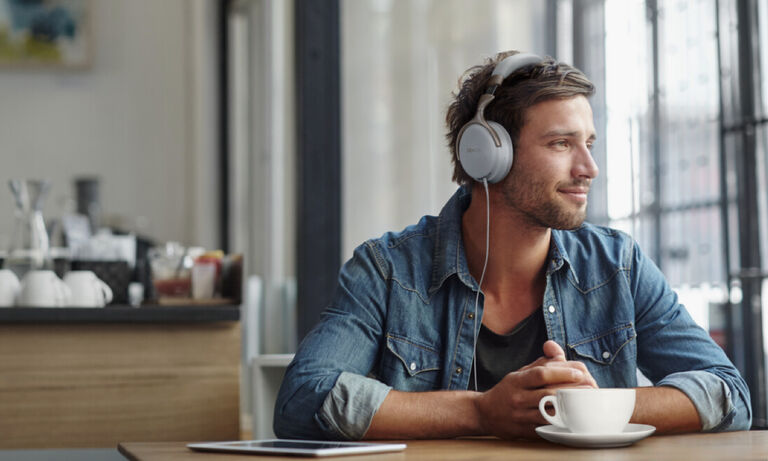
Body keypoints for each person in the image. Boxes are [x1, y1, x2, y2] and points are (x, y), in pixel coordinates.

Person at [273, 51, 752, 441]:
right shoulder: (385, 270)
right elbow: (303, 401)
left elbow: (729, 393)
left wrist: (594, 406)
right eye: (562, 144)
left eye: (590, 142)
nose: (589, 168)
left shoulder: (618, 265)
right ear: (487, 155)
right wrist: (481, 413)